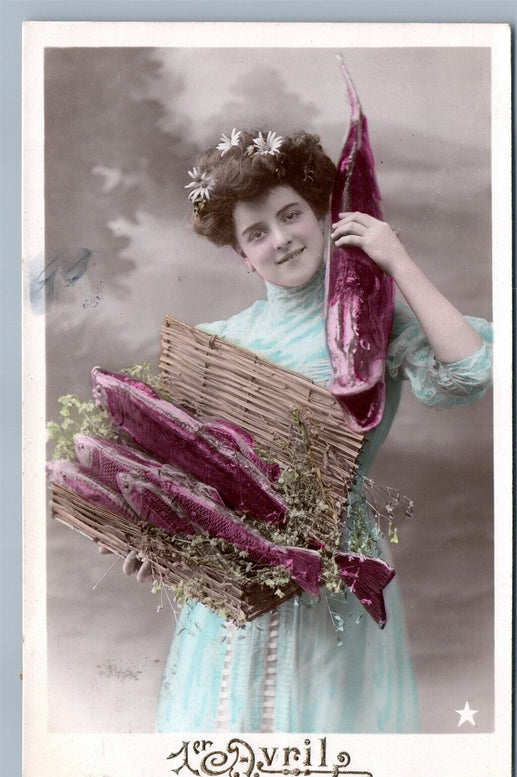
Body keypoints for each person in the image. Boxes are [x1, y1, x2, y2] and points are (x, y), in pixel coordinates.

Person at [154, 128, 493, 733]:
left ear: (322, 215)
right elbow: (190, 472)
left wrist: (396, 258)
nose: (281, 240)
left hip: (336, 563)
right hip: (234, 568)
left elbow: (469, 371)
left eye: (291, 216)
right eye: (257, 233)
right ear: (240, 253)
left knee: (327, 734)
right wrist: (157, 541)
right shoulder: (220, 343)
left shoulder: (372, 318)